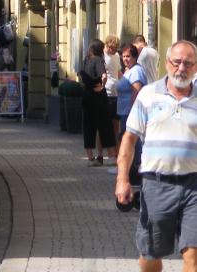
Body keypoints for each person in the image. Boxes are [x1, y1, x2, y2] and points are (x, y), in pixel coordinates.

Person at [115, 40, 197, 272]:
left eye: (188, 63)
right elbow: (129, 139)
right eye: (177, 62)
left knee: (194, 256)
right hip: (156, 184)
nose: (182, 68)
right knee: (150, 256)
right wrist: (122, 180)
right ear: (167, 64)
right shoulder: (148, 95)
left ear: (196, 67)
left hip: (195, 186)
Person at [80, 39, 117, 166]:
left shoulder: (86, 60)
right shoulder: (99, 60)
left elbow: (82, 76)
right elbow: (104, 76)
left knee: (88, 127)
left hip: (86, 96)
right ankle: (111, 157)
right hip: (99, 97)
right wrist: (102, 86)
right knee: (105, 127)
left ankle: (90, 158)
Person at [103, 35, 122, 144]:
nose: (113, 51)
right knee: (106, 123)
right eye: (112, 48)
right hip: (107, 93)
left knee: (116, 124)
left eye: (115, 49)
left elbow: (118, 72)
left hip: (116, 93)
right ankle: (108, 147)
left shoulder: (116, 56)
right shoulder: (102, 56)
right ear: (107, 45)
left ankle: (116, 149)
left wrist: (126, 81)